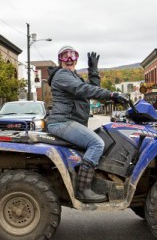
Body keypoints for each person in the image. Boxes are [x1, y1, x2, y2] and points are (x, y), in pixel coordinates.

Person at [46, 45, 127, 203]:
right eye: (65, 56)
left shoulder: (73, 75)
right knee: (97, 143)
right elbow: (82, 89)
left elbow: (92, 89)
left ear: (76, 59)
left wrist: (93, 71)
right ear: (60, 60)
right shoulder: (62, 75)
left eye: (73, 56)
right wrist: (111, 93)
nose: (69, 59)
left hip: (71, 121)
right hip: (62, 121)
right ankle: (83, 189)